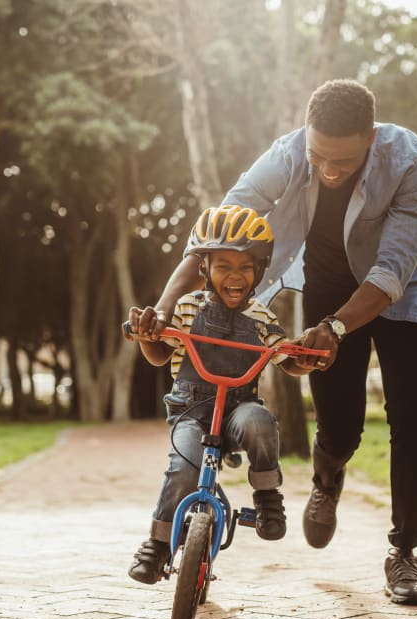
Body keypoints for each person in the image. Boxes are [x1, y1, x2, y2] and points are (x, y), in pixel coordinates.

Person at [135, 79, 417, 605]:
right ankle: (328, 478)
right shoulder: (287, 154)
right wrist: (164, 308)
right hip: (328, 285)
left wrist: (338, 329)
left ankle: (404, 553)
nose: (329, 170)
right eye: (319, 156)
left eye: (343, 162)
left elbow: (392, 268)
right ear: (307, 134)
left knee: (411, 415)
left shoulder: (414, 161)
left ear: (371, 137)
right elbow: (217, 232)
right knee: (341, 426)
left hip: (402, 290)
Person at [126, 205, 312, 585]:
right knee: (184, 468)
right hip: (191, 411)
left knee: (260, 423)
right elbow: (161, 353)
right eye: (223, 265)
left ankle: (266, 497)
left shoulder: (261, 317)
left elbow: (284, 358)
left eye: (246, 267)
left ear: (259, 271)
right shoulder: (186, 307)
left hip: (238, 409)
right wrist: (147, 337)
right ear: (204, 269)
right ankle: (158, 545)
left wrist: (305, 359)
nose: (235, 275)